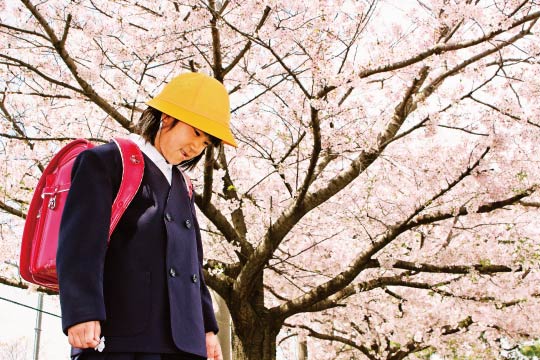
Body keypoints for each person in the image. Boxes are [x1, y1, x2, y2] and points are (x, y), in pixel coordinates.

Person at [56, 72, 237, 360]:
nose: (196, 147)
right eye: (195, 132)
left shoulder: (184, 186)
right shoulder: (107, 161)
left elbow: (192, 265)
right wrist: (82, 311)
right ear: (166, 118)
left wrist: (206, 329)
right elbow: (80, 244)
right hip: (123, 335)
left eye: (205, 143)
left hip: (183, 343)